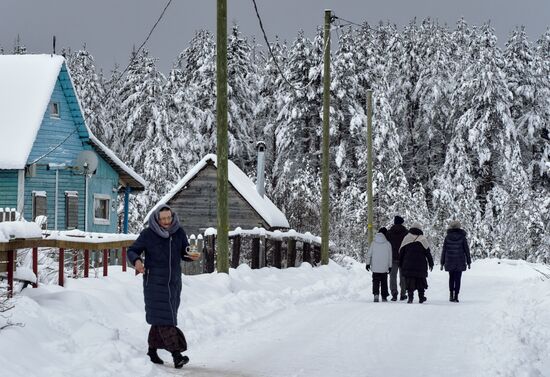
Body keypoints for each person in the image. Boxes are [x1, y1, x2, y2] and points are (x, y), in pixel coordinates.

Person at [127, 205, 200, 369]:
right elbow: (132, 251)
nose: (167, 222)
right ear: (157, 219)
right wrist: (137, 261)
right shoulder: (148, 234)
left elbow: (184, 252)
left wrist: (191, 256)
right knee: (166, 318)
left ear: (172, 217)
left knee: (161, 318)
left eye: (169, 218)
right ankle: (177, 355)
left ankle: (152, 351)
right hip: (154, 282)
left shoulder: (179, 232)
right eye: (163, 219)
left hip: (173, 283)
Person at [399, 222, 434, 304]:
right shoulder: (423, 239)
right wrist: (431, 263)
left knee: (410, 281)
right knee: (420, 280)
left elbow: (401, 252)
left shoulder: (406, 238)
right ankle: (421, 297)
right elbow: (428, 253)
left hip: (408, 264)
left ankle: (410, 298)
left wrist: (400, 263)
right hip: (420, 264)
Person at [440, 220, 472, 303]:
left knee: (451, 278)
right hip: (460, 261)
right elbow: (466, 250)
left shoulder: (447, 237)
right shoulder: (462, 237)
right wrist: (468, 262)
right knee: (458, 278)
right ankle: (456, 296)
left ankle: (451, 294)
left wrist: (442, 262)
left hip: (449, 260)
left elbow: (444, 250)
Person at [366, 227, 392, 302]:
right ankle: (384, 296)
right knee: (384, 282)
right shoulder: (388, 244)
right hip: (384, 268)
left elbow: (369, 254)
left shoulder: (373, 243)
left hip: (375, 267)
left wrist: (368, 264)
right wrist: (390, 266)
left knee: (375, 281)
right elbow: (390, 257)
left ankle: (376, 295)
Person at [386, 215, 408, 301]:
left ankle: (394, 293)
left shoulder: (389, 232)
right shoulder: (406, 232)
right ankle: (403, 294)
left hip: (392, 257)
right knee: (403, 276)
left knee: (392, 276)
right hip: (403, 257)